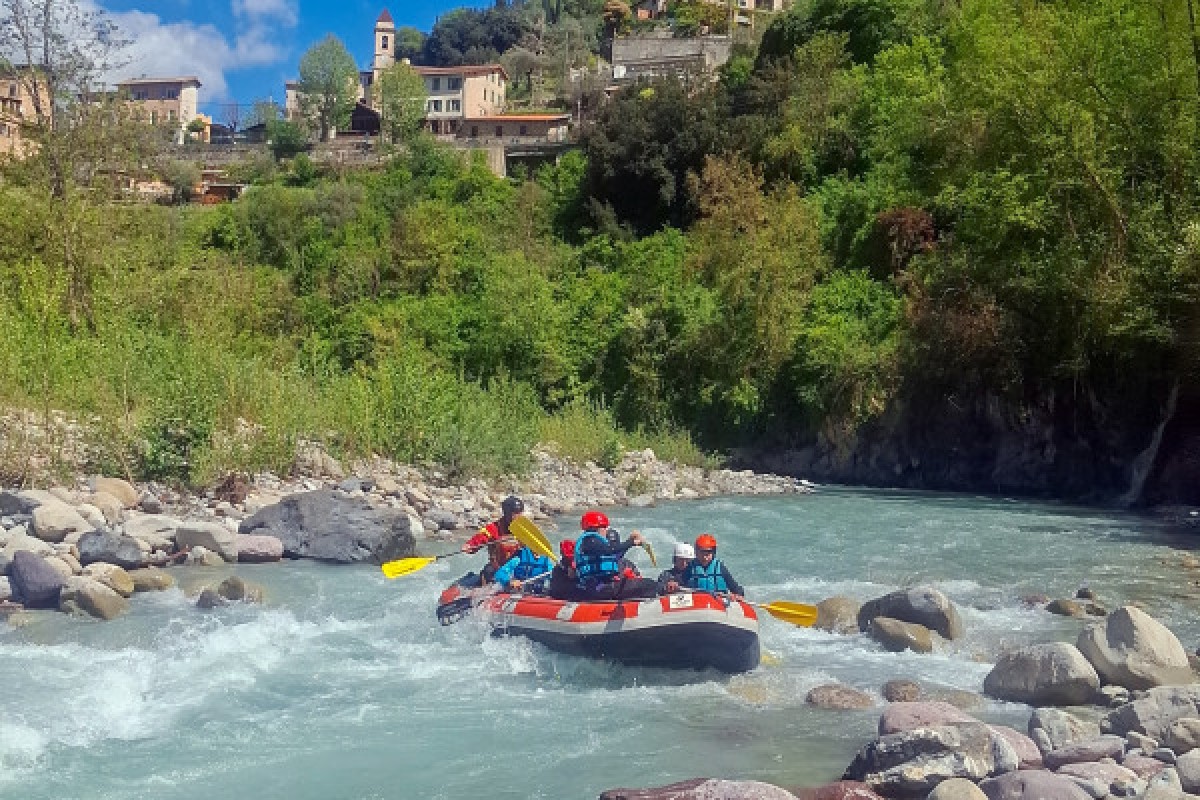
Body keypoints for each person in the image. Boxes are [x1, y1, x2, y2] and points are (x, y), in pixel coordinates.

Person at [572, 510, 658, 601]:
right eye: (604, 527)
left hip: (600, 586)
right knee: (649, 584)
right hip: (598, 587)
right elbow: (610, 550)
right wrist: (631, 542)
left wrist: (631, 542)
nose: (606, 530)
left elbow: (615, 556)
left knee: (635, 584)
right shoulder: (590, 540)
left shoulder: (592, 542)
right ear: (596, 528)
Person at [463, 495, 524, 584]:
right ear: (507, 513)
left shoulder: (525, 530)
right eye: (514, 513)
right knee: (488, 571)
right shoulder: (493, 528)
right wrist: (470, 545)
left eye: (519, 513)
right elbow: (481, 537)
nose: (518, 516)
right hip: (497, 568)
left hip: (517, 568)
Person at [683, 533, 744, 599]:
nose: (704, 558)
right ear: (696, 552)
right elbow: (679, 582)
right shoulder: (690, 567)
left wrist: (738, 594)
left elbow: (736, 588)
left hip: (717, 604)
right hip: (697, 603)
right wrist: (673, 583)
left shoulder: (720, 568)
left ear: (713, 553)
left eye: (707, 554)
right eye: (702, 554)